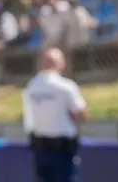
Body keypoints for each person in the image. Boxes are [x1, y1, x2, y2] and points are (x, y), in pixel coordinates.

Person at [22, 48, 86, 182]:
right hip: (63, 149)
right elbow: (79, 112)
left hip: (40, 148)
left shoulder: (31, 87)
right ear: (60, 64)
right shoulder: (65, 86)